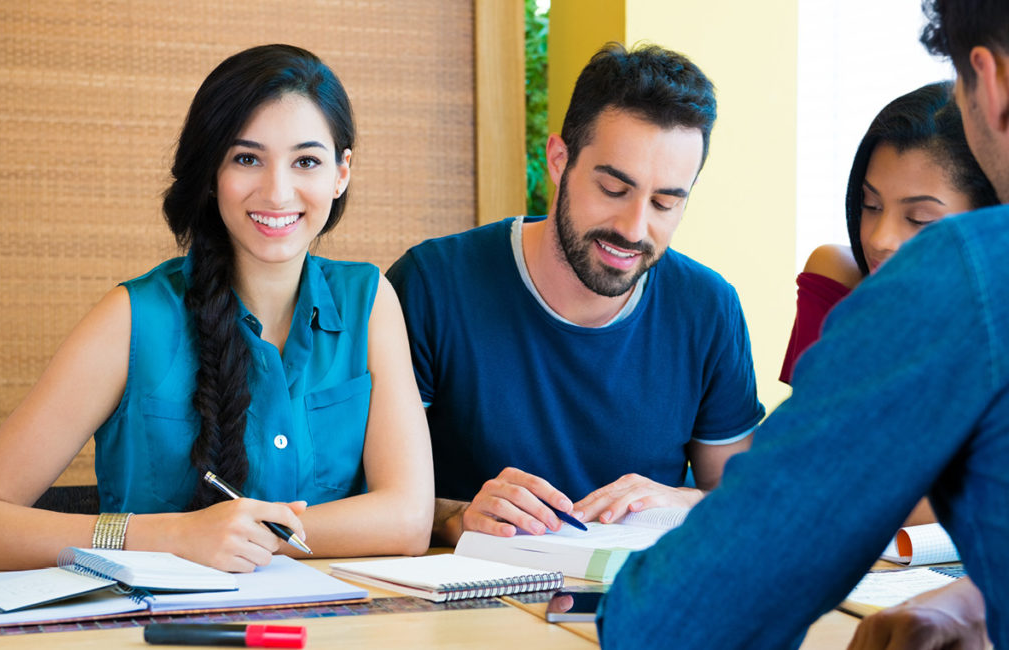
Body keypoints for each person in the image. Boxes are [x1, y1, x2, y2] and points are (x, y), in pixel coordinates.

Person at [598, 1, 1009, 648]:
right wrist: (978, 598)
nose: (884, 239)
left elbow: (680, 619)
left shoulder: (965, 273)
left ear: (991, 81)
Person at [0, 44, 433, 572]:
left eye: (306, 161)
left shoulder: (369, 300)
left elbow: (407, 519)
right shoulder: (131, 318)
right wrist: (172, 535)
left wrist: (255, 535)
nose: (278, 191)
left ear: (340, 173)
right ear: (211, 172)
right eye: (247, 159)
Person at [387, 43, 764, 545]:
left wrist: (689, 501)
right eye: (613, 189)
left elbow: (747, 499)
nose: (634, 228)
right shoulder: (432, 284)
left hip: (635, 605)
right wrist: (453, 516)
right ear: (559, 160)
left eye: (665, 203)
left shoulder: (708, 308)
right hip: (467, 603)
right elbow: (354, 486)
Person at [780, 81, 998, 386]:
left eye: (918, 219)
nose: (879, 239)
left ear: (987, 218)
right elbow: (809, 427)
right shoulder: (835, 279)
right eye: (871, 205)